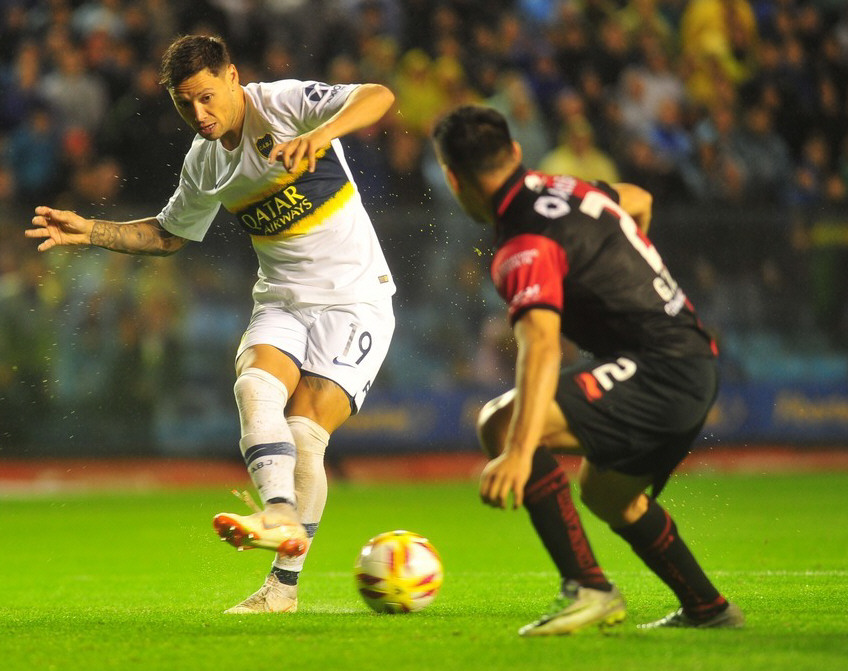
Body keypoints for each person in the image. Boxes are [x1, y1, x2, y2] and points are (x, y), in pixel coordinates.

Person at [25, 34, 397, 614]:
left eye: (206, 97)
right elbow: (169, 234)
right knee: (254, 386)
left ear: (232, 77)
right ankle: (278, 515)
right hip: (281, 299)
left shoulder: (283, 103)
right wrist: (91, 231)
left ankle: (283, 587)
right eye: (184, 104)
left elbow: (378, 95)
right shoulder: (204, 162)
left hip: (355, 300)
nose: (199, 114)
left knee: (304, 435)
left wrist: (321, 134)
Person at [431, 105, 744, 636]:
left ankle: (588, 588)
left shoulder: (523, 243)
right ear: (515, 152)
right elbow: (639, 200)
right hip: (689, 359)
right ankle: (708, 608)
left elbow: (541, 346)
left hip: (661, 370)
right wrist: (620, 276)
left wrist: (520, 452)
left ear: (452, 178)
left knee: (501, 424)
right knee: (605, 493)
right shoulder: (569, 188)